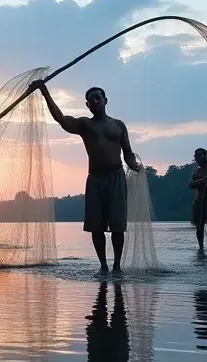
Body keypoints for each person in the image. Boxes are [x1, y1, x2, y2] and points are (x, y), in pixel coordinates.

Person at [31, 81, 141, 275]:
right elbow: (61, 119)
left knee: (117, 226)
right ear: (87, 105)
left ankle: (117, 266)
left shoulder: (118, 125)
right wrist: (45, 91)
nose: (95, 101)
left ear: (105, 101)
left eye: (98, 98)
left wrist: (134, 164)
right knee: (96, 226)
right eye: (91, 100)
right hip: (95, 179)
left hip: (116, 178)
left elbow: (128, 153)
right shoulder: (84, 124)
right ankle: (103, 266)